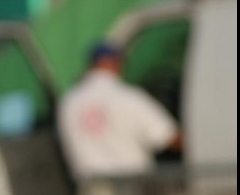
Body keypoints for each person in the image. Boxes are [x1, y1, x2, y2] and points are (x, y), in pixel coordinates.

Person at [58, 42, 182, 180]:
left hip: (91, 187)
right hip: (133, 185)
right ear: (117, 63)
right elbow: (170, 138)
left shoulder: (68, 101)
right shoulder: (129, 97)